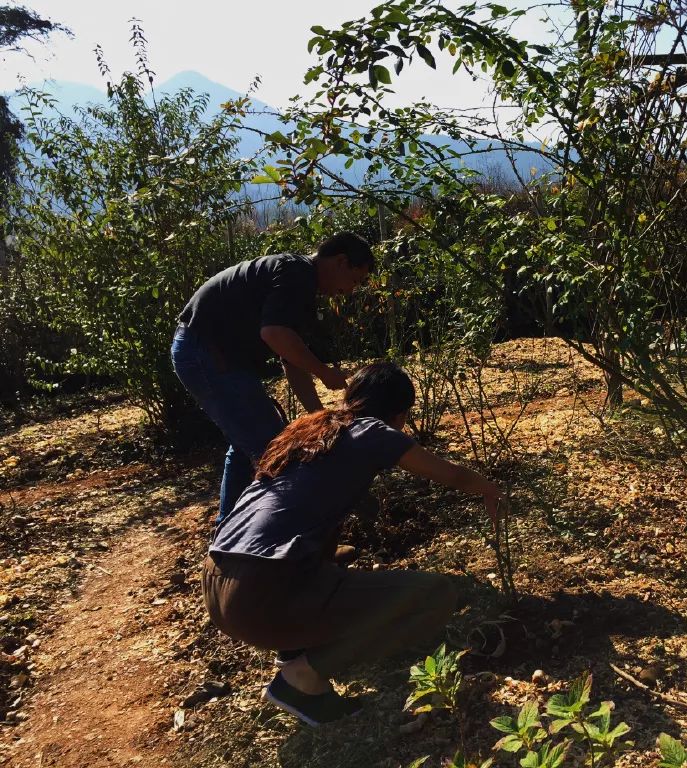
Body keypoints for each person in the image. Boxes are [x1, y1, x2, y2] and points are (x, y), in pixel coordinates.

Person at [201, 361, 501, 727]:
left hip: (217, 582)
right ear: (400, 412)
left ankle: (292, 646)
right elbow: (449, 474)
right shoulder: (374, 432)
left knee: (337, 557)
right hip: (260, 596)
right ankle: (300, 678)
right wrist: (489, 489)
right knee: (436, 593)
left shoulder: (308, 431)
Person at [171, 232, 373, 523]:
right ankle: (285, 538)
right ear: (341, 261)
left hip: (208, 352)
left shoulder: (299, 281)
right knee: (275, 447)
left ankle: (228, 538)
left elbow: (291, 360)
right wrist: (324, 372)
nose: (350, 291)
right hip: (206, 352)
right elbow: (274, 334)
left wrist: (320, 417)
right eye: (355, 280)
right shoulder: (297, 274)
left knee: (248, 445)